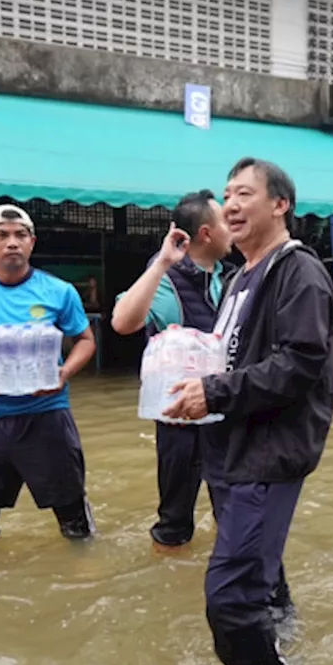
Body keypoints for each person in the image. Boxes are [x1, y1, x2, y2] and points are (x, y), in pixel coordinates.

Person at [163, 158, 333, 665]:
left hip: (268, 453)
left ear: (280, 204)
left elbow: (300, 362)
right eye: (227, 196)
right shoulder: (239, 277)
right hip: (234, 447)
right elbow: (232, 358)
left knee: (231, 598)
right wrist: (186, 392)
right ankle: (285, 635)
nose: (231, 206)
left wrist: (212, 393)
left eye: (245, 194)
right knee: (262, 577)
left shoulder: (297, 271)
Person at [0, 204, 98, 542]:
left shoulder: (59, 292)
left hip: (48, 416)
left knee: (74, 522)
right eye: (2, 235)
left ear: (32, 242)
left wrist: (64, 372)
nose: (12, 242)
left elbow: (85, 340)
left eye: (20, 235)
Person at [111, 189, 234, 547]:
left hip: (225, 408)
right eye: (226, 221)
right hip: (179, 415)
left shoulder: (231, 278)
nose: (234, 228)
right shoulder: (166, 279)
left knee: (232, 510)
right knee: (175, 519)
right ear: (206, 233)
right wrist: (162, 262)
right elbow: (122, 322)